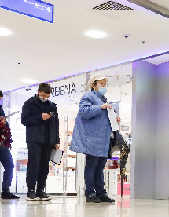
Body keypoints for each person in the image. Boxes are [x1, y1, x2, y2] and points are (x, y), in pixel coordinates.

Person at [71, 74, 119, 204]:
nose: (104, 86)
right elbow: (84, 111)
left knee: (100, 166)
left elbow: (104, 117)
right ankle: (90, 192)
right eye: (101, 84)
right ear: (94, 85)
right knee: (92, 165)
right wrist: (100, 107)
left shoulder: (103, 99)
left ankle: (101, 193)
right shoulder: (88, 96)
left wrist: (114, 118)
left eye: (105, 84)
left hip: (102, 139)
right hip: (92, 138)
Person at [21, 83, 60, 201]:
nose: (44, 97)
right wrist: (39, 117)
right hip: (34, 139)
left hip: (48, 140)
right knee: (34, 164)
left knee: (44, 165)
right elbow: (24, 120)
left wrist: (56, 140)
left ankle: (41, 190)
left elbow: (55, 124)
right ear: (38, 92)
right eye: (43, 95)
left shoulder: (52, 106)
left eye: (47, 96)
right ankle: (31, 190)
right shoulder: (29, 103)